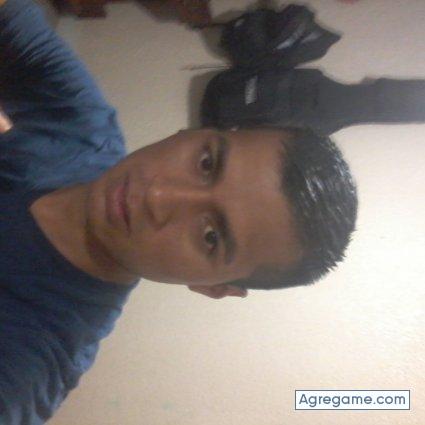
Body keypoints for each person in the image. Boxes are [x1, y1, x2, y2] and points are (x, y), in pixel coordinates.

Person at [0, 0, 357, 423]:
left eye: (211, 236)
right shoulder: (84, 130)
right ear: (193, 133)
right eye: (206, 162)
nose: (159, 196)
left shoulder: (32, 358)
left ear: (213, 287)